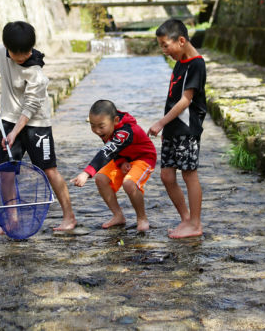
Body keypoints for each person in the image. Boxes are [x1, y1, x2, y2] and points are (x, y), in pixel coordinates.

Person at [0, 21, 76, 232]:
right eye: (18, 54)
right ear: (7, 49)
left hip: (36, 123)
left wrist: (15, 133)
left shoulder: (36, 72)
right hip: (7, 118)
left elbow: (31, 106)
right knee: (6, 173)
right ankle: (12, 220)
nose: (24, 57)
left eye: (27, 52)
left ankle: (69, 217)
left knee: (49, 170)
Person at [147, 19, 207, 238]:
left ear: (181, 41)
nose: (164, 50)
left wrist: (161, 122)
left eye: (165, 45)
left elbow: (185, 100)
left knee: (189, 174)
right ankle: (186, 219)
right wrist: (167, 128)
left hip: (187, 128)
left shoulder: (196, 64)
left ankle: (196, 224)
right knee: (166, 176)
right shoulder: (180, 61)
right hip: (173, 128)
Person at [71, 100, 156, 232]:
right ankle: (118, 216)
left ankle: (142, 218)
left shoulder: (125, 131)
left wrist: (86, 173)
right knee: (101, 178)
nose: (97, 131)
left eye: (101, 126)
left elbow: (107, 151)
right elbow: (114, 150)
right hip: (124, 157)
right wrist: (121, 162)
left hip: (143, 158)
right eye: (92, 126)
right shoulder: (106, 129)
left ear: (115, 120)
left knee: (129, 184)